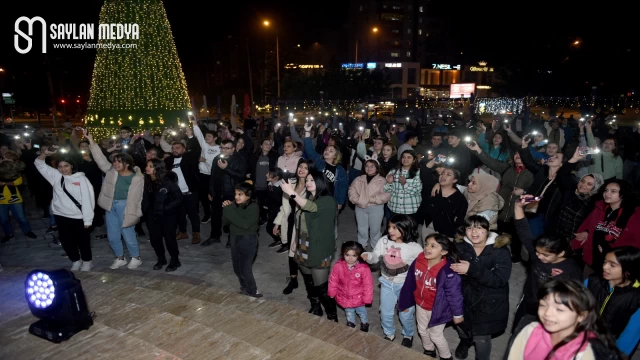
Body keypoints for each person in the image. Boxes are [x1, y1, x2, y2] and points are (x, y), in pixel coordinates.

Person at [512, 195, 583, 332]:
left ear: (561, 253)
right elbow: (523, 230)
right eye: (538, 252)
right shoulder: (537, 254)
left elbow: (573, 300)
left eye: (546, 255)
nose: (539, 257)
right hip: (528, 302)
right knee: (517, 334)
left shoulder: (571, 271)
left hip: (550, 310)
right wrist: (518, 206)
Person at [505, 279, 625, 360]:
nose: (547, 313)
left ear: (581, 316)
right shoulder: (530, 330)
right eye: (543, 305)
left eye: (559, 309)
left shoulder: (584, 353)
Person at [451, 215, 511, 360]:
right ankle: (465, 341)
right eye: (469, 227)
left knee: (482, 337)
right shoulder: (459, 247)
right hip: (465, 296)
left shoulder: (500, 251)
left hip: (489, 300)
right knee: (461, 326)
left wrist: (471, 270)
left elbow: (499, 280)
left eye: (479, 227)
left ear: (488, 230)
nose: (474, 231)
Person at [280, 170, 338, 320]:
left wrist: (292, 193)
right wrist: (295, 241)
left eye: (312, 180)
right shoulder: (307, 197)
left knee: (321, 287)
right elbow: (299, 223)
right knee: (308, 281)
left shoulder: (328, 201)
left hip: (319, 247)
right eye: (307, 180)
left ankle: (332, 316)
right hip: (302, 245)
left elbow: (311, 207)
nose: (308, 182)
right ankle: (315, 307)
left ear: (321, 182)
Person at [398, 233, 464, 359]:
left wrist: (457, 314)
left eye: (433, 246)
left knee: (435, 335)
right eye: (426, 244)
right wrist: (404, 302)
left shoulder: (448, 271)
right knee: (422, 330)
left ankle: (446, 356)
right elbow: (409, 283)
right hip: (421, 304)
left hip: (438, 308)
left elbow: (454, 295)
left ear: (443, 252)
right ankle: (429, 350)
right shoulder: (418, 261)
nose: (427, 248)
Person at [85, 130, 144, 270]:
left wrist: (136, 213)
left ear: (127, 164)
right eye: (115, 161)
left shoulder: (137, 178)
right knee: (112, 236)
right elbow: (100, 158)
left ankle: (136, 257)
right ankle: (120, 258)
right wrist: (91, 141)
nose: (115, 164)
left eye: (119, 161)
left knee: (128, 234)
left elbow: (139, 198)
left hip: (127, 206)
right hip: (111, 206)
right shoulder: (111, 172)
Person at [361, 214, 423, 346]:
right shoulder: (384, 241)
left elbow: (422, 266)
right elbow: (376, 256)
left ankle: (408, 334)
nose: (390, 230)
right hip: (386, 283)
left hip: (406, 287)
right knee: (385, 312)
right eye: (389, 227)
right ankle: (389, 333)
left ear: (406, 228)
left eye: (395, 228)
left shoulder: (415, 248)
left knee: (405, 314)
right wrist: (368, 256)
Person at [34, 147, 95, 271]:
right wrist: (45, 153)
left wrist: (88, 220)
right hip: (61, 215)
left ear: (72, 166)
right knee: (66, 241)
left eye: (66, 166)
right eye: (60, 166)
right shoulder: (56, 176)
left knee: (83, 241)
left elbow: (88, 200)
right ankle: (75, 260)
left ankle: (87, 261)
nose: (63, 169)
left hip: (78, 217)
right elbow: (38, 163)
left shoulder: (81, 179)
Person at [573, 179, 640, 274]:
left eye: (613, 191)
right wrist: (587, 232)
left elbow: (633, 242)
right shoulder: (600, 208)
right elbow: (591, 226)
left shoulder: (633, 214)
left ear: (623, 194)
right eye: (606, 190)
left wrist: (610, 250)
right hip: (593, 260)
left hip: (616, 264)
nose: (607, 194)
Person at [584, 246, 640, 356]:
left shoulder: (636, 297)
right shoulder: (592, 280)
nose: (604, 267)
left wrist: (616, 355)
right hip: (582, 338)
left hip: (608, 347)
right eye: (605, 261)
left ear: (628, 270)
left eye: (612, 265)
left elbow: (631, 334)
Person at [274, 159, 314, 294]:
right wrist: (278, 222)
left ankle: (312, 283)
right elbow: (284, 206)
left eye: (305, 168)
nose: (301, 169)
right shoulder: (290, 183)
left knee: (304, 254)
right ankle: (293, 280)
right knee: (291, 255)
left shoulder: (312, 186)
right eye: (300, 166)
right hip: (291, 221)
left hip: (304, 223)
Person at [142, 159, 183, 272]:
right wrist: (144, 211)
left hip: (167, 216)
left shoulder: (168, 182)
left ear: (157, 168)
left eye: (151, 166)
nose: (147, 168)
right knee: (155, 239)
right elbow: (145, 198)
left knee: (170, 239)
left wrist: (165, 208)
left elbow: (179, 198)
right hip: (151, 216)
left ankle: (175, 260)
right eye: (147, 165)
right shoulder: (147, 181)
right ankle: (161, 259)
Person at [223, 181, 262, 298]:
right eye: (235, 194)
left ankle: (252, 290)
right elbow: (225, 223)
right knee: (237, 268)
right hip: (234, 238)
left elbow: (245, 224)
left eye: (240, 194)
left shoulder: (253, 207)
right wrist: (227, 209)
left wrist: (230, 210)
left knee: (245, 268)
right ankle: (244, 287)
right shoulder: (234, 205)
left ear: (248, 195)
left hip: (248, 239)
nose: (236, 197)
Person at [327, 241, 373, 332]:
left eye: (354, 255)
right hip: (345, 296)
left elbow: (368, 284)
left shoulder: (363, 268)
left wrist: (367, 298)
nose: (350, 258)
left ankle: (364, 323)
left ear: (359, 255)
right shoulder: (338, 266)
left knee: (361, 311)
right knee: (348, 312)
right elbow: (333, 280)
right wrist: (332, 292)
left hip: (359, 297)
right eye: (347, 255)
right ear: (343, 254)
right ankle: (350, 322)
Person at [348, 158, 390, 249]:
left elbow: (386, 195)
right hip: (360, 207)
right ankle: (362, 245)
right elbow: (352, 190)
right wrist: (357, 199)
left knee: (375, 229)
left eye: (372, 166)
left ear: (377, 168)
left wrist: (369, 199)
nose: (369, 168)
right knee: (361, 228)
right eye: (367, 166)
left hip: (376, 208)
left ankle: (376, 247)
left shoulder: (382, 180)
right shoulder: (359, 179)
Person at [264, 167, 284, 248]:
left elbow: (281, 201)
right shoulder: (270, 185)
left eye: (269, 174)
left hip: (278, 211)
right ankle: (279, 240)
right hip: (271, 210)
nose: (266, 174)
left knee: (273, 227)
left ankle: (283, 242)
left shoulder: (280, 188)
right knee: (270, 228)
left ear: (276, 177)